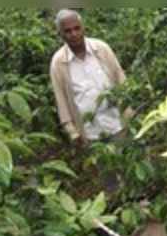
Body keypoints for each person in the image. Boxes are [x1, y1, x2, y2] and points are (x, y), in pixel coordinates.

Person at [50, 9, 132, 145]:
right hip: (89, 134)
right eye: (68, 31)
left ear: (83, 28)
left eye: (77, 28)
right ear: (60, 34)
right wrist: (72, 131)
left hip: (117, 124)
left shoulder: (101, 48)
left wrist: (130, 113)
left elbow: (120, 79)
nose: (74, 34)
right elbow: (61, 100)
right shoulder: (58, 62)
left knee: (126, 161)